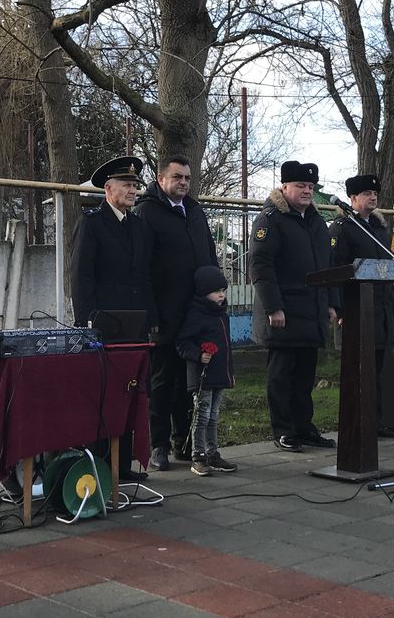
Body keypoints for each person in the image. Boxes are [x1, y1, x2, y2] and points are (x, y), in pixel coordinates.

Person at [70, 155, 156, 481]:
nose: (133, 190)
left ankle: (124, 463)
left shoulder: (138, 226)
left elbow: (145, 276)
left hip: (134, 324)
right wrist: (86, 320)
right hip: (103, 324)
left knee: (130, 392)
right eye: (127, 185)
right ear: (108, 188)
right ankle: (100, 463)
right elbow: (81, 275)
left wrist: (151, 316)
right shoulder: (92, 223)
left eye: (135, 185)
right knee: (103, 395)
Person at [133, 153, 218, 471]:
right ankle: (158, 446)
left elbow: (209, 258)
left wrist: (215, 295)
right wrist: (150, 315)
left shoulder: (195, 213)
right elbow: (141, 270)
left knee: (191, 383)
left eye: (187, 177)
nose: (183, 182)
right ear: (160, 179)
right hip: (163, 317)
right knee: (162, 384)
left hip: (194, 316)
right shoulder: (147, 214)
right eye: (177, 177)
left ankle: (185, 442)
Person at [249, 160, 336, 452]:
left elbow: (329, 267)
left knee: (304, 377)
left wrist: (331, 303)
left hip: (311, 312)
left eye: (311, 187)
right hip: (283, 312)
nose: (307, 191)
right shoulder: (270, 220)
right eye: (300, 186)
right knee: (282, 376)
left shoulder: (316, 223)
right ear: (284, 187)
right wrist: (274, 306)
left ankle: (303, 427)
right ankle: (283, 429)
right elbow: (260, 265)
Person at [329, 173, 394, 438]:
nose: (373, 197)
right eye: (367, 193)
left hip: (379, 310)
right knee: (358, 371)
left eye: (375, 194)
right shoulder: (343, 228)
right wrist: (341, 310)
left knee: (377, 369)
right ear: (353, 198)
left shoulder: (379, 229)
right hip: (355, 310)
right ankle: (356, 421)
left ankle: (375, 420)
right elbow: (336, 270)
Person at [176, 265, 237, 476]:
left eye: (223, 291)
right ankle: (198, 455)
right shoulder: (196, 315)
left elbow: (226, 346)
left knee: (214, 415)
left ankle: (212, 452)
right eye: (216, 291)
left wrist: (229, 372)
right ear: (204, 293)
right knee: (201, 415)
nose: (221, 295)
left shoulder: (222, 315)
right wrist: (198, 355)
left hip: (219, 374)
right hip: (202, 376)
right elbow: (183, 343)